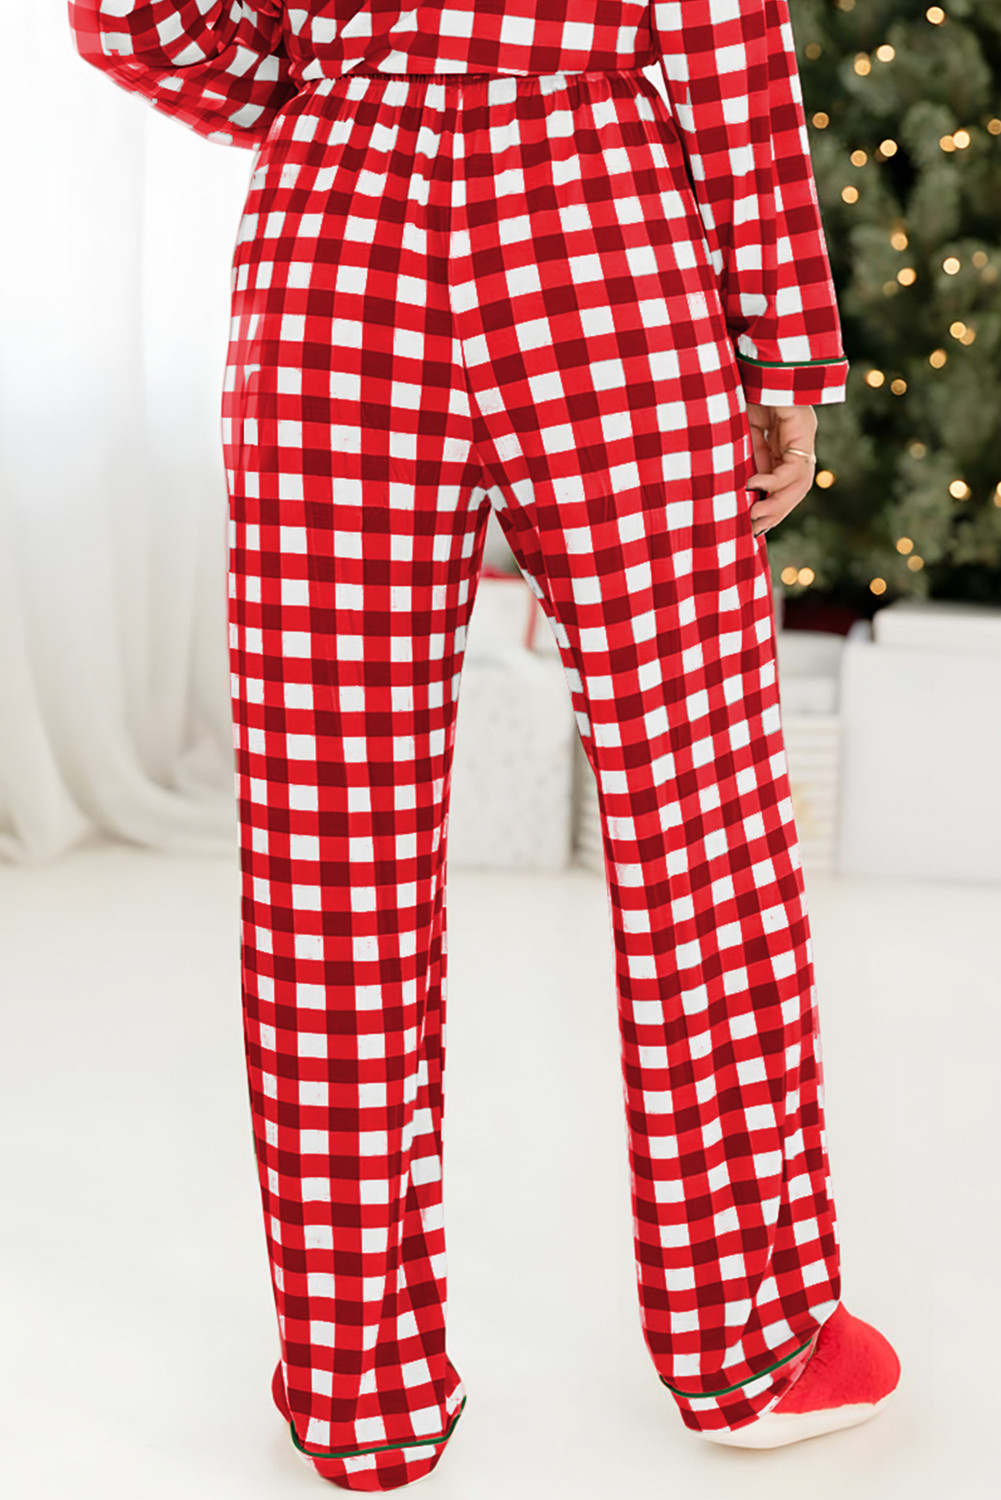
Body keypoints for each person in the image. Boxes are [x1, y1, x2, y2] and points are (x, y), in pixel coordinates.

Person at [68, 2, 901, 1490]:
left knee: (330, 836)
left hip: (335, 228)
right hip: (596, 218)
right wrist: (785, 350)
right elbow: (722, 30)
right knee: (695, 796)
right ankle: (754, 1340)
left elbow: (130, 11)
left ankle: (356, 1382)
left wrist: (328, 88)